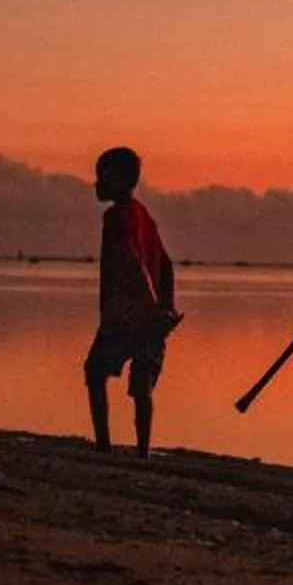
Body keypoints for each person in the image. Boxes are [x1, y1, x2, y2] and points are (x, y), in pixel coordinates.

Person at [83, 147, 179, 453]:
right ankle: (142, 451)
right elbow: (166, 265)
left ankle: (103, 446)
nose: (97, 184)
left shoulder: (116, 218)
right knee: (143, 385)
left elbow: (133, 260)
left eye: (102, 177)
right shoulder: (144, 216)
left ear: (121, 181)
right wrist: (167, 308)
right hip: (149, 319)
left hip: (123, 318)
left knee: (95, 372)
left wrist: (153, 308)